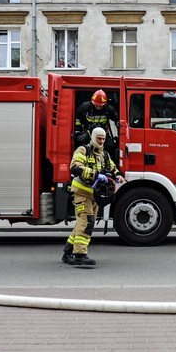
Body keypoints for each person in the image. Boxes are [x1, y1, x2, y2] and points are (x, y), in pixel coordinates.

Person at [62, 127, 124, 267]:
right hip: (81, 192)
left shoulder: (105, 155)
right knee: (87, 222)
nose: (101, 141)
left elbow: (112, 168)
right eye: (99, 138)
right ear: (93, 137)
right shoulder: (83, 150)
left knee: (82, 223)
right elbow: (75, 167)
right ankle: (80, 254)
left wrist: (118, 175)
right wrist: (96, 174)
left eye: (103, 139)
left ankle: (68, 252)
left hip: (94, 194)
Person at [75, 89, 119, 158]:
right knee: (81, 146)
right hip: (88, 134)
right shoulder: (84, 108)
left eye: (100, 106)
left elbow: (117, 119)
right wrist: (78, 133)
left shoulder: (109, 109)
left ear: (105, 104)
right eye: (96, 105)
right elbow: (77, 120)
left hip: (103, 134)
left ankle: (108, 163)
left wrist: (118, 123)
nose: (98, 107)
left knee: (111, 146)